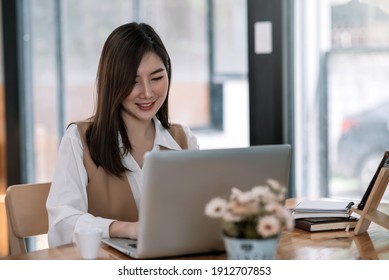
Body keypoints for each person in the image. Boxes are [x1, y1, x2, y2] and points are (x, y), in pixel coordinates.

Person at [46, 22, 199, 247]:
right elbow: (62, 225)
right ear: (113, 81)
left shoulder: (183, 139)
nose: (147, 93)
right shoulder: (80, 140)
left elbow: (202, 212)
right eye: (132, 81)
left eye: (156, 78)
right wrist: (124, 228)